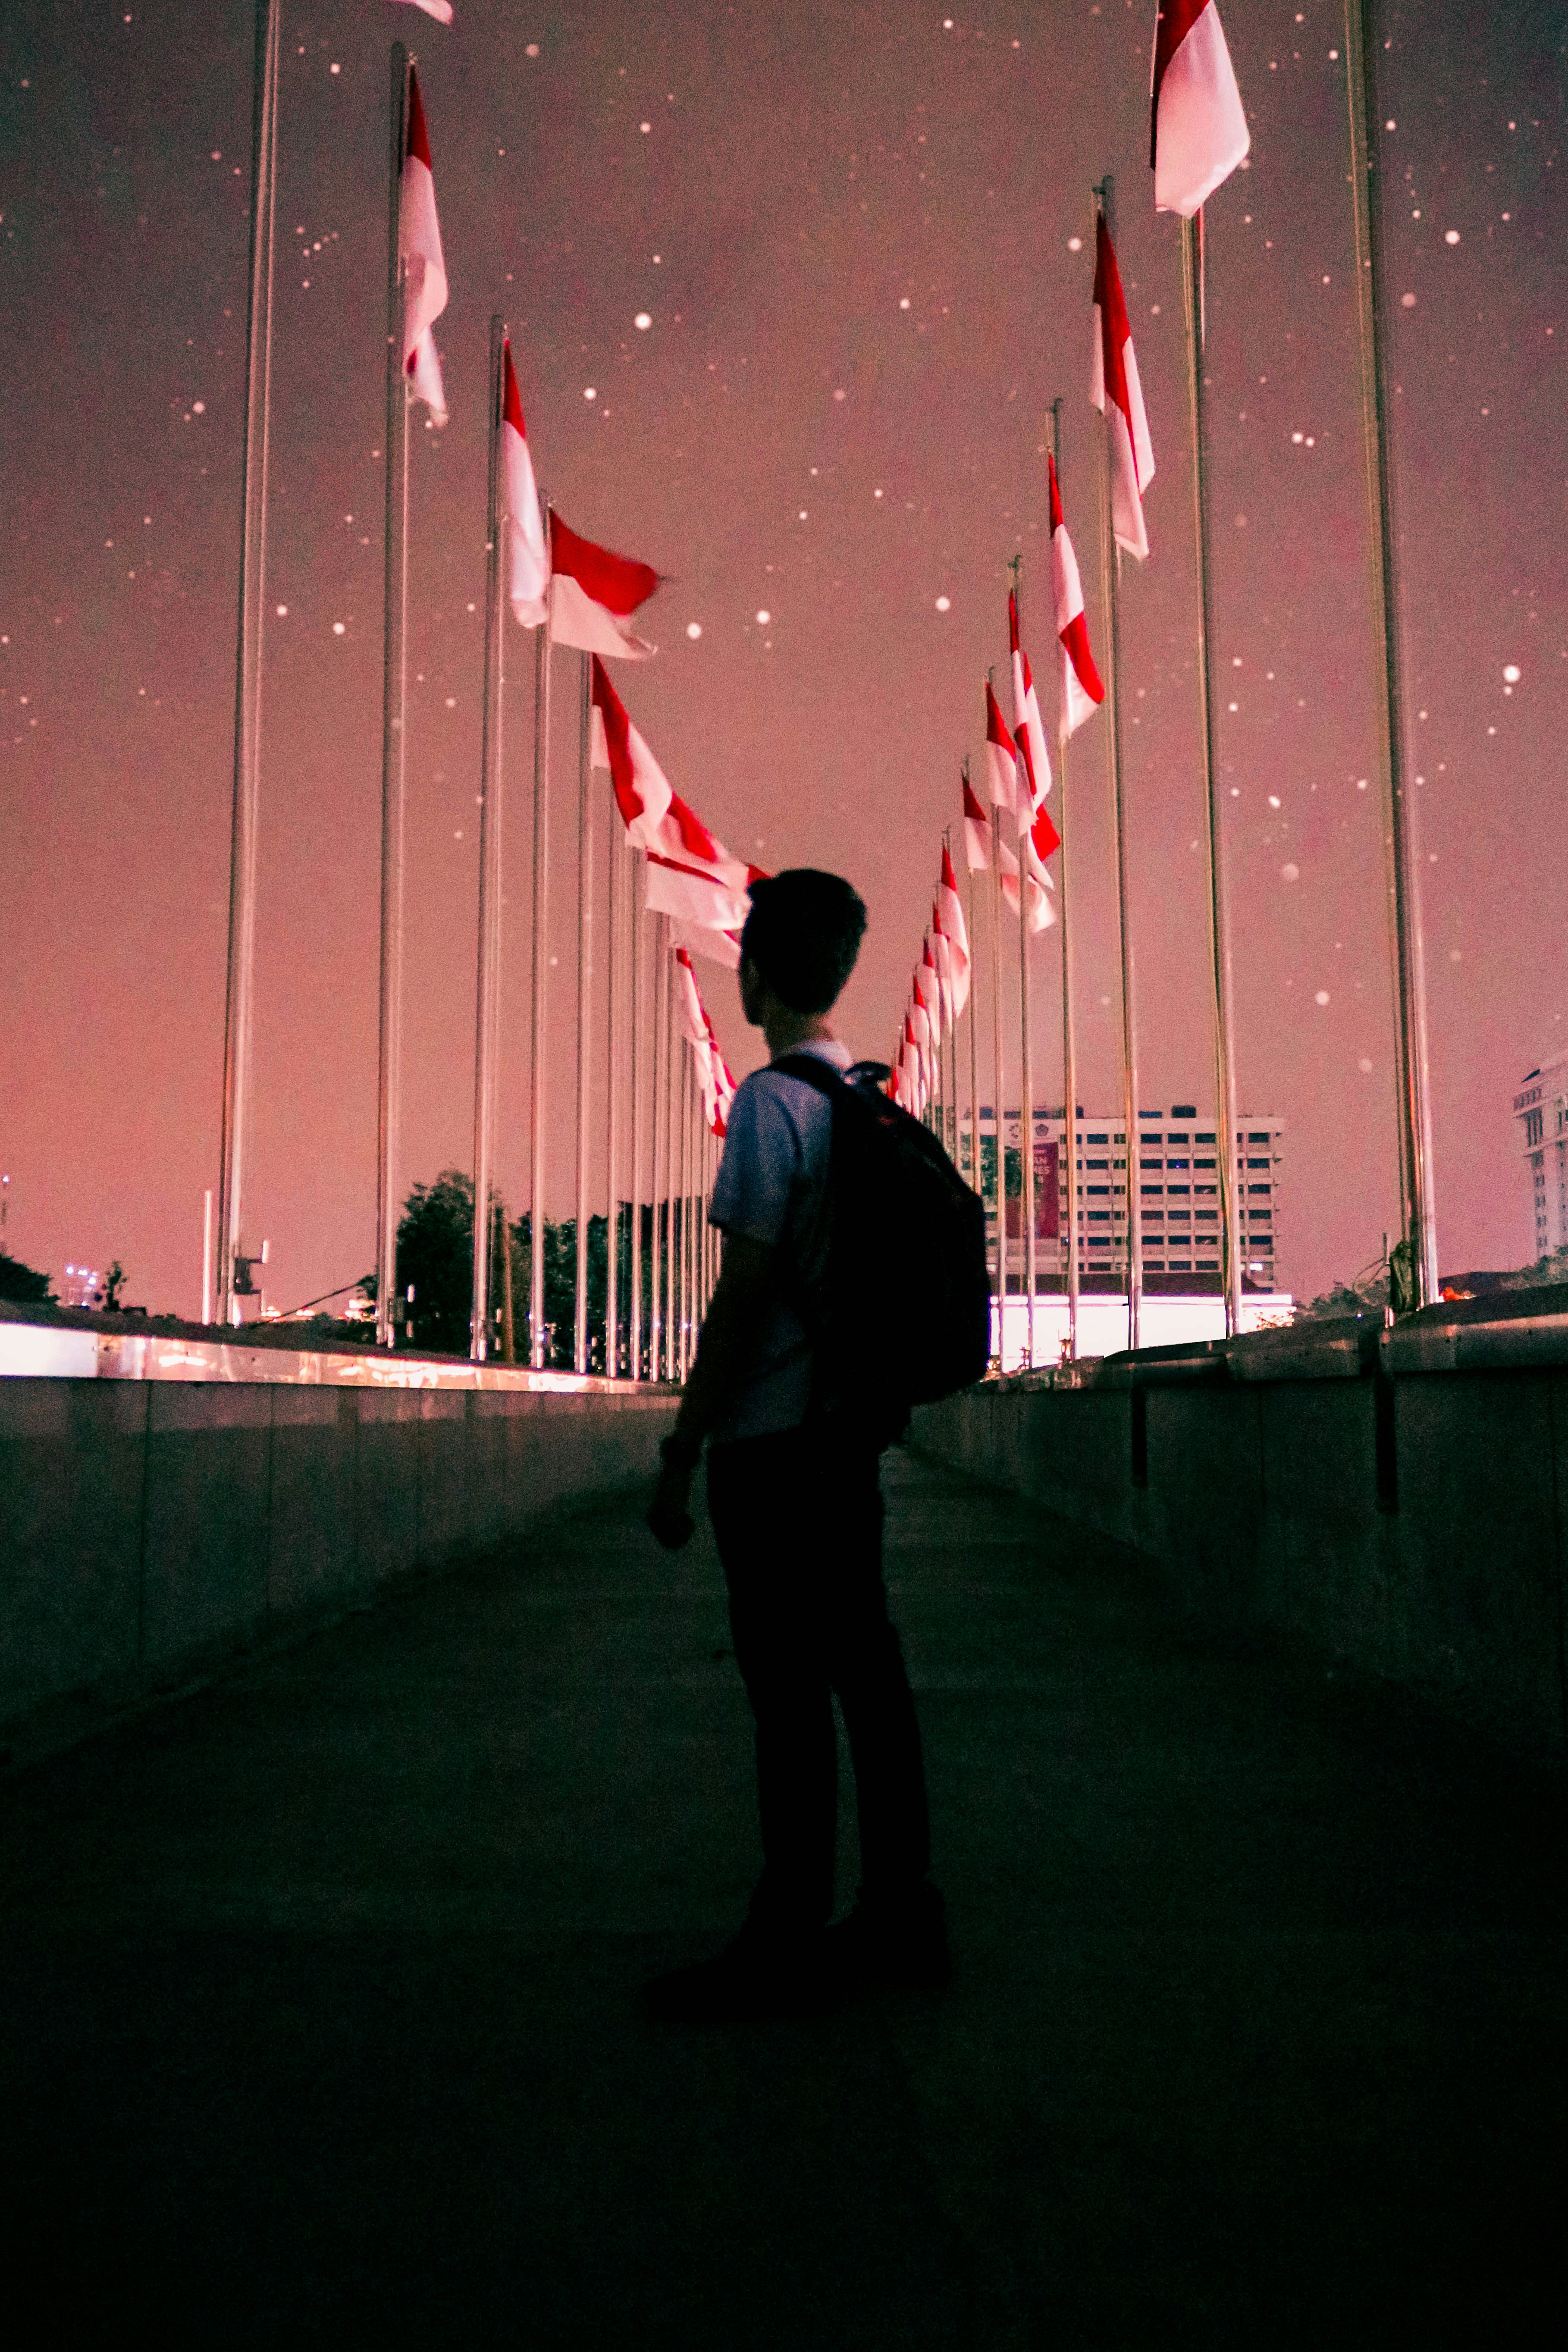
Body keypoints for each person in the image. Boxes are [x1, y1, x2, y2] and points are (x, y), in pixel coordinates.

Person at [644, 869, 948, 2024]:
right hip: (847, 1443)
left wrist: (682, 1447)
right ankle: (901, 1911)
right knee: (867, 1676)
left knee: (785, 1693)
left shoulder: (771, 1108)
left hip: (773, 1449)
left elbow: (743, 1296)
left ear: (755, 974)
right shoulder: (866, 1100)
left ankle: (785, 1936)